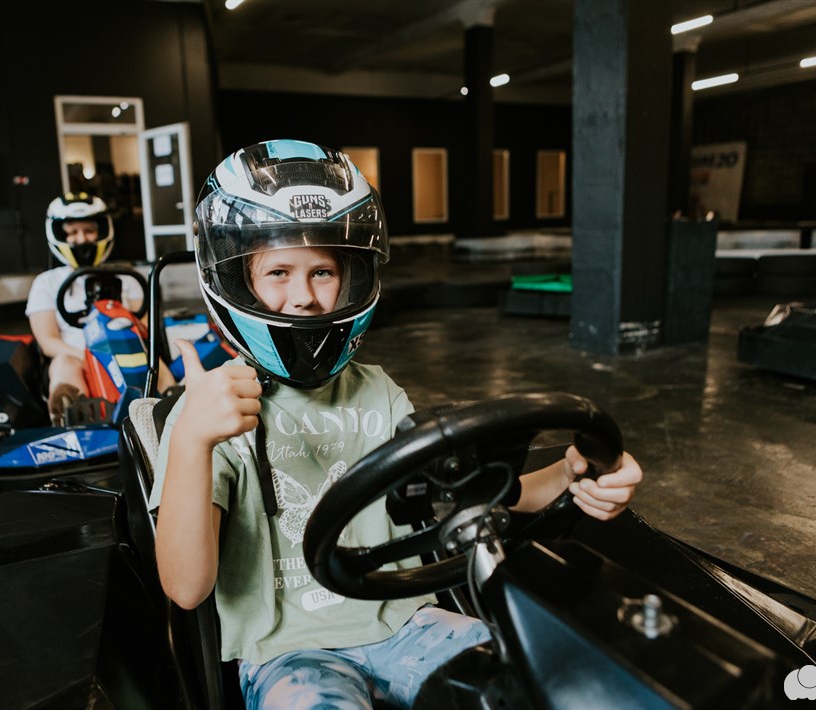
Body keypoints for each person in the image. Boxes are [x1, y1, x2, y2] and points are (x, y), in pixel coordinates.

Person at [148, 140, 643, 710]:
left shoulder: (379, 393)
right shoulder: (211, 413)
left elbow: (463, 499)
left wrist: (572, 477)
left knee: (539, 683)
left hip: (409, 624)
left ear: (352, 278)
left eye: (323, 272)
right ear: (236, 281)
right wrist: (192, 439)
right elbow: (186, 588)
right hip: (289, 653)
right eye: (278, 272)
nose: (303, 297)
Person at [26, 191, 174, 423]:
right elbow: (47, 341)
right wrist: (93, 358)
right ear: (59, 235)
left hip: (127, 354)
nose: (82, 239)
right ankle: (73, 414)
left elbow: (146, 328)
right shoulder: (47, 282)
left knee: (151, 359)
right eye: (72, 232)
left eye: (89, 230)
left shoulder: (127, 278)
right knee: (63, 364)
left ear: (102, 232)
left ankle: (173, 403)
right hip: (76, 356)